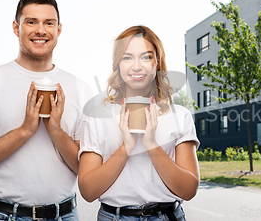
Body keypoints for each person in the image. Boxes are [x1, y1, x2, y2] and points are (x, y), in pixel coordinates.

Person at [0, 0, 91, 221]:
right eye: (31, 22)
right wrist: (25, 130)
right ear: (16, 27)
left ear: (58, 30)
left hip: (65, 215)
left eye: (49, 23)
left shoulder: (80, 88)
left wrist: (55, 130)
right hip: (5, 215)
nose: (41, 30)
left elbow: (86, 170)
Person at [78, 25, 199, 221]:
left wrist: (151, 144)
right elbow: (88, 191)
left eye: (146, 57)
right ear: (117, 64)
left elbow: (188, 190)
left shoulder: (180, 116)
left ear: (157, 62)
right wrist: (127, 146)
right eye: (127, 57)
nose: (136, 66)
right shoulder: (97, 115)